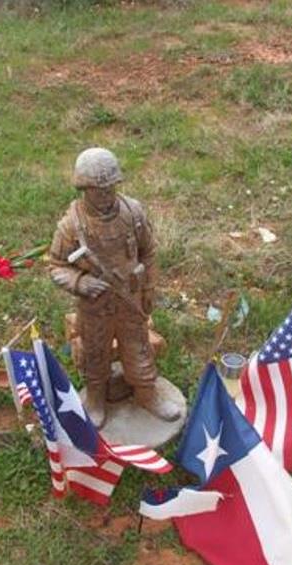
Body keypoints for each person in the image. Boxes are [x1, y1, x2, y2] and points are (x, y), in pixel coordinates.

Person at [48, 147, 182, 427]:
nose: (107, 195)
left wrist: (148, 289)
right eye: (99, 190)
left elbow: (149, 252)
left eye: (111, 187)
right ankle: (97, 398)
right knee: (95, 352)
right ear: (84, 188)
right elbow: (56, 266)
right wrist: (81, 282)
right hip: (95, 306)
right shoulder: (71, 226)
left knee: (139, 347)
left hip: (130, 298)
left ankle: (146, 393)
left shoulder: (132, 213)